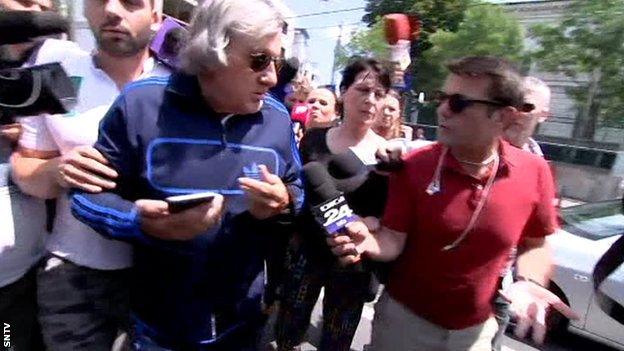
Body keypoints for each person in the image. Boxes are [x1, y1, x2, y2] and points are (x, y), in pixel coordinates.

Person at [69, 0, 304, 349]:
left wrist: (283, 203)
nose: (271, 76)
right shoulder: (139, 105)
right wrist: (139, 221)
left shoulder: (277, 118)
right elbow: (84, 195)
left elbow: (297, 188)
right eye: (259, 61)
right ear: (214, 54)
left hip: (243, 327)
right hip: (158, 329)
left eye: (277, 61)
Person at [328, 56, 579, 350]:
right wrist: (367, 242)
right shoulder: (414, 166)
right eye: (442, 98)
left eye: (458, 102)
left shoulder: (534, 172)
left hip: (475, 333)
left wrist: (531, 282)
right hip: (403, 324)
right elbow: (393, 240)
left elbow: (535, 243)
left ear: (502, 116)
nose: (442, 109)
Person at [10, 0, 169, 349]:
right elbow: (25, 168)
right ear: (84, 9)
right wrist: (56, 170)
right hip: (71, 275)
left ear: (156, 16)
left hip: (161, 275)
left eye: (130, 1)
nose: (112, 9)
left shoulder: (179, 85)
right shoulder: (57, 68)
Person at [275, 58, 390, 351]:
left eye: (378, 94)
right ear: (343, 92)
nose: (370, 101)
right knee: (287, 335)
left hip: (352, 263)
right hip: (305, 253)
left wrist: (368, 225)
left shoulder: (387, 155)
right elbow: (296, 188)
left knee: (336, 342)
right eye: (363, 90)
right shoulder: (313, 139)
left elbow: (392, 215)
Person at [0, 1, 61, 350]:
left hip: (21, 285)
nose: (37, 12)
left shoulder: (54, 75)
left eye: (45, 6)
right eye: (26, 3)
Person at [491, 75, 552, 351]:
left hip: (498, 291)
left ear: (543, 115)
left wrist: (528, 282)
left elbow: (537, 239)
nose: (516, 112)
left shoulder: (540, 168)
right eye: (511, 103)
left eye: (526, 106)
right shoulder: (474, 149)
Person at [504, 76, 551, 157]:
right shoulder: (479, 150)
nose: (513, 111)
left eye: (525, 107)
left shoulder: (539, 163)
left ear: (543, 115)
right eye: (508, 104)